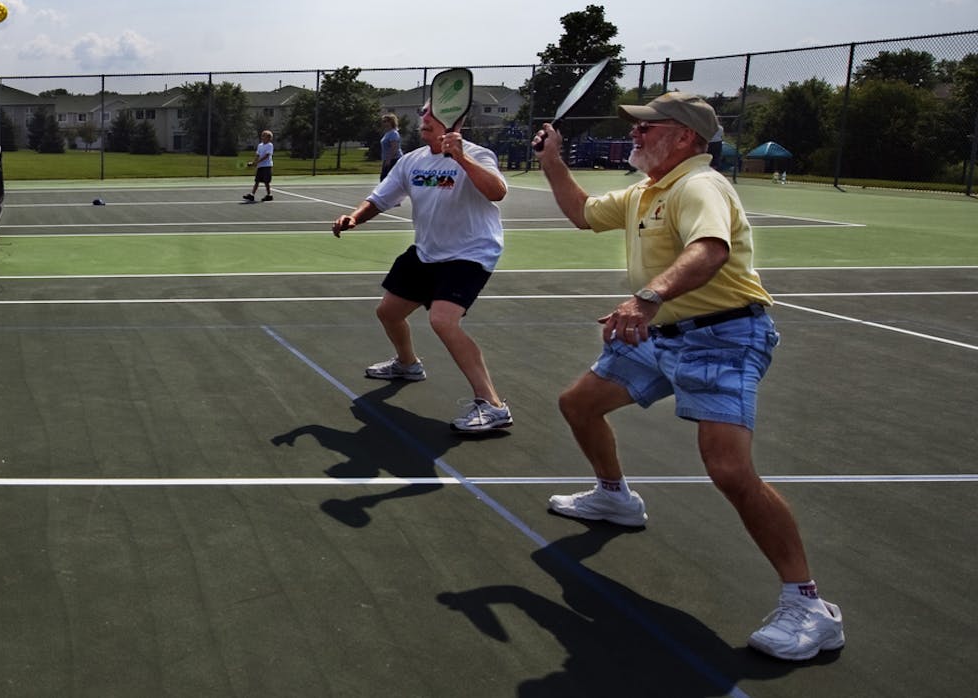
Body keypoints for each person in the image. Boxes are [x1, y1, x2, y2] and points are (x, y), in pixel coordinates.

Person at [530, 91, 842, 661]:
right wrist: (553, 160)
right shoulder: (648, 190)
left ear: (686, 139)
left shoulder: (700, 185)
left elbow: (710, 250)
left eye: (650, 128)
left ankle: (810, 606)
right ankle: (615, 497)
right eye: (639, 128)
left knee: (728, 470)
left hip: (723, 336)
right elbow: (581, 213)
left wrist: (648, 297)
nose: (637, 135)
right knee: (579, 403)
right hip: (662, 334)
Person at [330, 105, 514, 434]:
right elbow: (380, 198)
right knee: (388, 312)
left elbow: (497, 192)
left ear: (454, 121)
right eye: (423, 115)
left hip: (470, 252)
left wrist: (460, 157)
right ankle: (408, 365)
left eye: (432, 115)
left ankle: (492, 405)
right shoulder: (412, 161)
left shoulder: (478, 155)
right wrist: (355, 217)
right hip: (428, 251)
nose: (423, 120)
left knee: (442, 320)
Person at [242, 130, 276, 202]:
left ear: (269, 138)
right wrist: (254, 162)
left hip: (267, 166)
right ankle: (252, 195)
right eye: (262, 135)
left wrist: (257, 162)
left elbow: (266, 156)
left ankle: (269, 195)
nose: (262, 137)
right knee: (257, 181)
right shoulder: (260, 145)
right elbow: (258, 155)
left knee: (266, 182)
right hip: (260, 166)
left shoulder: (270, 145)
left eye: (264, 136)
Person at [377, 113, 403, 179]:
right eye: (383, 121)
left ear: (391, 122)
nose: (384, 123)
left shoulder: (393, 133)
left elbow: (394, 148)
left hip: (394, 160)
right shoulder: (387, 133)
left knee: (385, 179)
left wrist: (389, 160)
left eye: (386, 121)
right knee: (384, 179)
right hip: (387, 159)